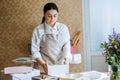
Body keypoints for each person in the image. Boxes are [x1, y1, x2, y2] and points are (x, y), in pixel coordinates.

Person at [31, 2, 72, 74]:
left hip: (60, 66)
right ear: (44, 15)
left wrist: (66, 59)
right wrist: (43, 64)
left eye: (55, 16)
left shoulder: (63, 28)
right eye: (49, 16)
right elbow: (35, 51)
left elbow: (66, 45)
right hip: (43, 67)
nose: (52, 18)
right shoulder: (38, 30)